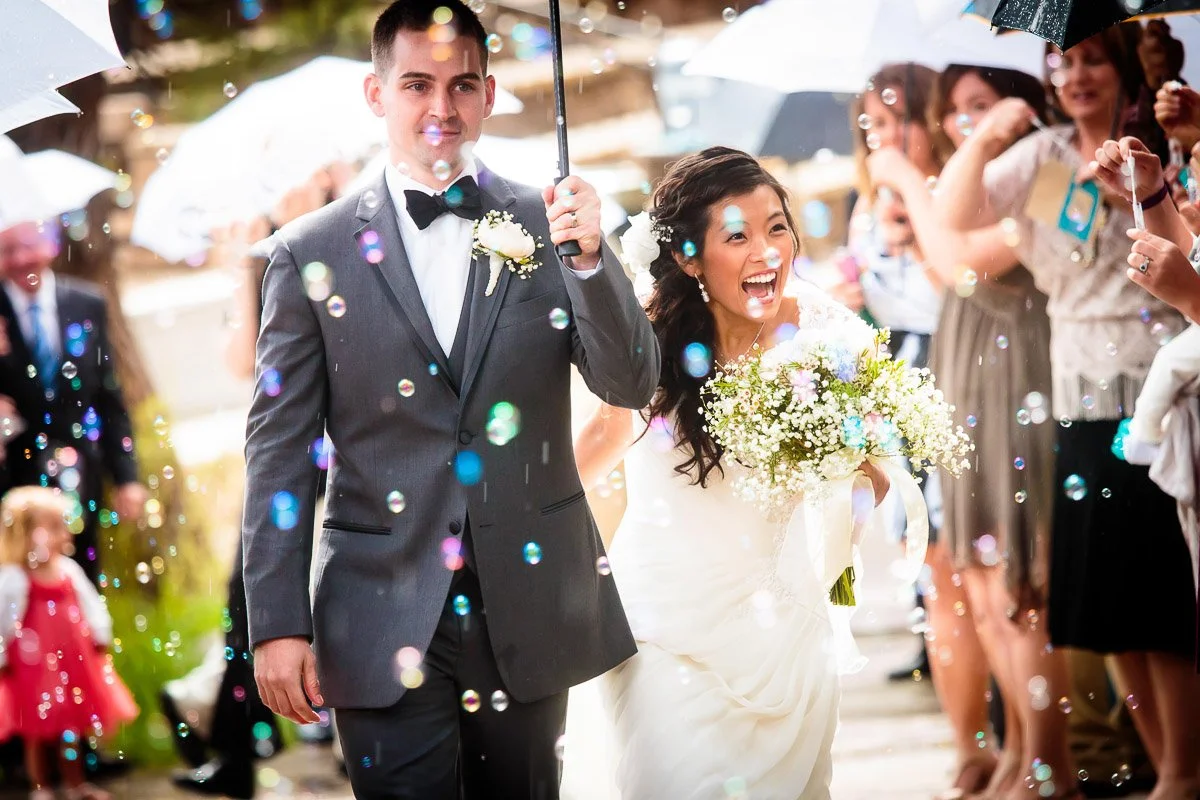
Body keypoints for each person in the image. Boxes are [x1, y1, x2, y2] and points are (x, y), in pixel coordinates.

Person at [240, 1, 660, 797]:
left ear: (491, 94)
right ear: (376, 95)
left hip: (529, 602)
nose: (441, 109)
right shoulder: (307, 254)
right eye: (416, 85)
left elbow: (630, 384)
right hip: (377, 606)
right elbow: (278, 454)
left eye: (462, 85)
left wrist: (592, 263)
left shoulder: (554, 223)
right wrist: (278, 623)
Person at [562, 146, 890, 798]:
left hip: (784, 640)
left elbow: (877, 475)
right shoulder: (647, 343)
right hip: (663, 633)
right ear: (688, 257)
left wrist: (829, 474)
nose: (766, 251)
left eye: (776, 228)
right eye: (736, 236)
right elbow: (597, 442)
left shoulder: (827, 337)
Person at [932, 26, 1200, 800]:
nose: (1078, 74)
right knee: (1108, 600)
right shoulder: (1046, 157)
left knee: (1159, 599)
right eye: (1067, 61)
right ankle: (1168, 771)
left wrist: (1150, 174)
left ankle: (1183, 770)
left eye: (1095, 61)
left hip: (1157, 394)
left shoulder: (1160, 151)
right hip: (1079, 396)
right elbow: (953, 216)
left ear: (1125, 75)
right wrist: (986, 133)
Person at [865, 62, 1066, 798]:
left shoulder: (1054, 169)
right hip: (967, 376)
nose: (965, 123)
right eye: (956, 111)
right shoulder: (978, 176)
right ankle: (1019, 755)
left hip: (1021, 378)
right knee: (983, 587)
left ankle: (1052, 760)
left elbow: (958, 264)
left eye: (982, 106)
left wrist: (920, 179)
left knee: (1018, 584)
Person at [834, 63, 950, 686]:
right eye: (873, 124)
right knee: (910, 517)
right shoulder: (866, 203)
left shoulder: (944, 195)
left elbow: (954, 291)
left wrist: (915, 238)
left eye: (897, 120)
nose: (883, 136)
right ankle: (930, 634)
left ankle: (959, 651)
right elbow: (864, 287)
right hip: (894, 367)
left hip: (945, 359)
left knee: (946, 518)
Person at [0, 220, 149, 583]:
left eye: (28, 246)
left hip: (80, 473)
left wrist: (127, 477)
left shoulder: (86, 302)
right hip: (13, 483)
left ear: (50, 246)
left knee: (80, 581)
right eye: (8, 251)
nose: (21, 259)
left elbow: (108, 396)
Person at [0, 485, 138, 800]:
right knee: (35, 729)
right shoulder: (14, 578)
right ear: (24, 535)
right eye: (52, 527)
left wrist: (100, 635)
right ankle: (41, 787)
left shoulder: (68, 570)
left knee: (71, 726)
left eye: (63, 526)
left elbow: (92, 605)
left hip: (71, 659)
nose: (64, 534)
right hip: (32, 666)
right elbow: (2, 622)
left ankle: (76, 784)